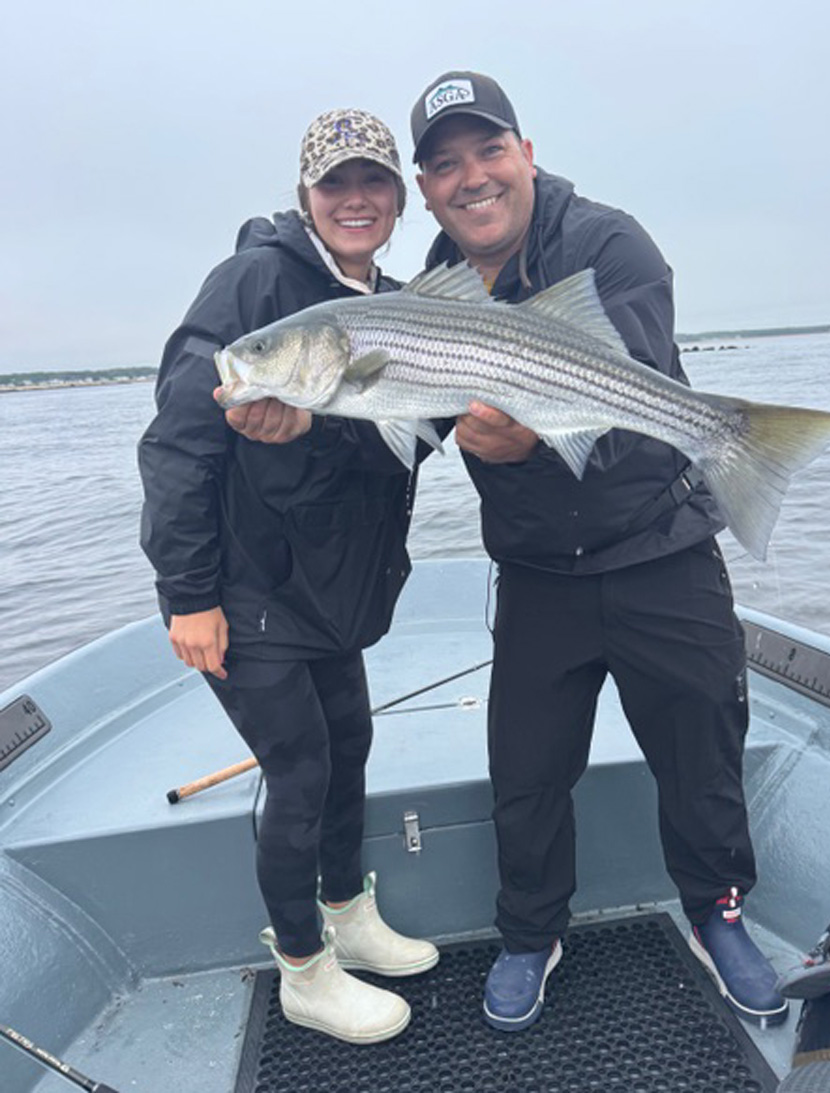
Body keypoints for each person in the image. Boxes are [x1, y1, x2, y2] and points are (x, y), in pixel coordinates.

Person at [407, 70, 789, 1033]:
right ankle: (532, 932)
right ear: (425, 188)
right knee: (525, 768)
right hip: (540, 574)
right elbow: (409, 428)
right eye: (446, 164)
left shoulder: (608, 242)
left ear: (526, 154)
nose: (473, 178)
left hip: (659, 544)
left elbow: (640, 386)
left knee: (700, 739)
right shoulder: (431, 288)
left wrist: (534, 433)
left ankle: (715, 908)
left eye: (489, 151)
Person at [138, 108, 439, 1046]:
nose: (356, 199)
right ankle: (307, 967)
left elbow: (395, 452)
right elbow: (179, 441)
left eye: (374, 183)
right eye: (335, 183)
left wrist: (325, 427)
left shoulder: (391, 297)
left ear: (396, 199)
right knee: (300, 769)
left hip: (328, 596)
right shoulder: (256, 281)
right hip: (246, 588)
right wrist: (189, 593)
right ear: (305, 195)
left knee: (349, 746)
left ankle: (349, 910)